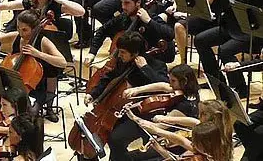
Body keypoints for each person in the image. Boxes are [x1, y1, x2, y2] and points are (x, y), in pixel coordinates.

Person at [0, 10, 67, 121]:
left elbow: (62, 62)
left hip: (34, 89)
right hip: (10, 86)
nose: (20, 32)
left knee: (30, 114)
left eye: (24, 30)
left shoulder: (43, 41)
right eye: (18, 28)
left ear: (34, 29)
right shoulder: (16, 36)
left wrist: (38, 54)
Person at [83, 31, 169, 160]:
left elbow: (165, 86)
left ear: (134, 53)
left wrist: (145, 68)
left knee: (115, 139)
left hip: (144, 113)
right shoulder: (123, 61)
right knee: (103, 136)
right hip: (122, 110)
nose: (119, 55)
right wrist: (94, 94)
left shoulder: (156, 64)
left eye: (122, 52)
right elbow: (108, 77)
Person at [195, 0, 263, 98]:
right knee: (200, 40)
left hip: (249, 31)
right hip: (231, 26)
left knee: (225, 50)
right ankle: (216, 80)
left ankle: (239, 87)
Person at [115, 64, 200, 160]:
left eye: (173, 81)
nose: (170, 84)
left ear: (184, 81)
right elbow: (163, 86)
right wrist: (137, 90)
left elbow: (158, 127)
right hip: (163, 130)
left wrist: (134, 117)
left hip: (171, 141)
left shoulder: (186, 106)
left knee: (131, 157)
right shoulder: (186, 90)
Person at [86, 0, 175, 65]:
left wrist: (149, 21)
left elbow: (170, 34)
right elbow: (102, 30)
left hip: (147, 64)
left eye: (127, 3)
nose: (123, 7)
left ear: (138, 2)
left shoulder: (150, 17)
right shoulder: (123, 17)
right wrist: (92, 53)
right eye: (122, 2)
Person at [128, 114, 232, 161]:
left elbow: (181, 142)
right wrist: (159, 148)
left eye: (195, 142)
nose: (192, 144)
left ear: (206, 144)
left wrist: (157, 130)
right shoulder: (205, 151)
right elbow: (181, 143)